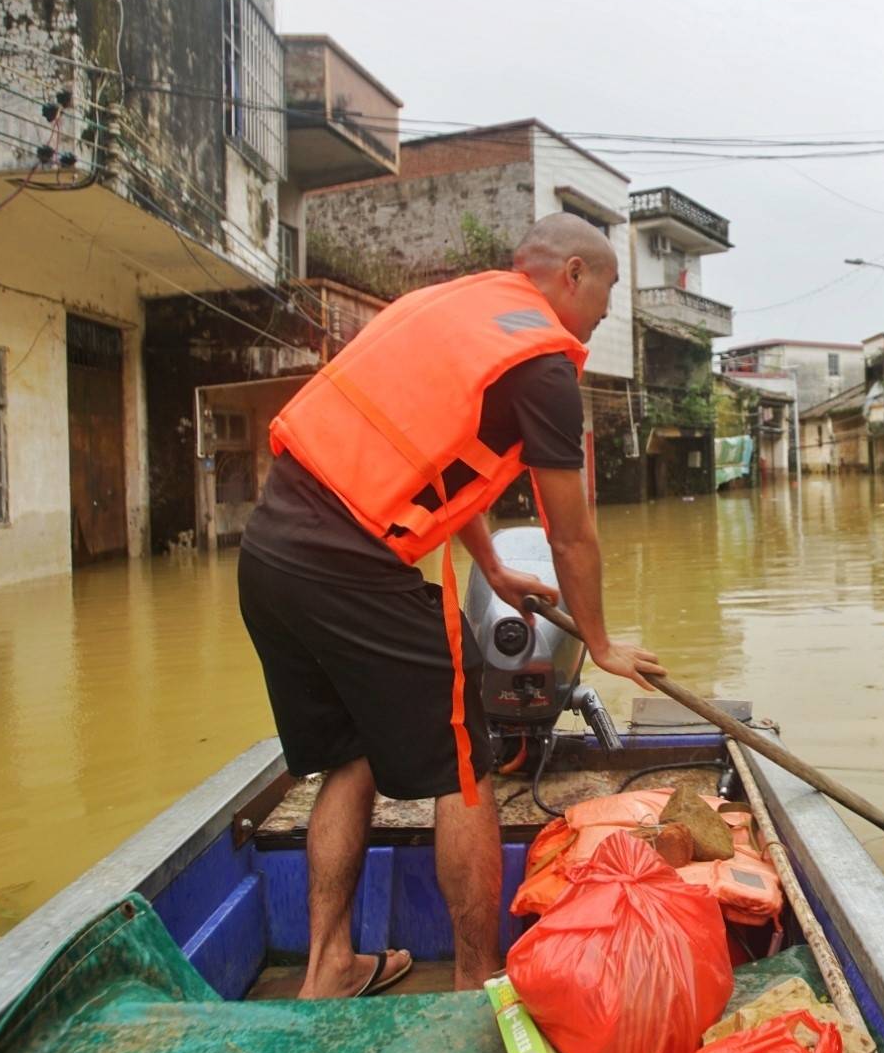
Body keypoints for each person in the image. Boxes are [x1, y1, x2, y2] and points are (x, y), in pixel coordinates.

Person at [238, 213, 663, 998]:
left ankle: (328, 965)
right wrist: (600, 643)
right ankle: (477, 981)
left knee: (350, 754)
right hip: (349, 563)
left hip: (268, 550)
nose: (593, 329)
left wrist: (493, 566)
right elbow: (571, 535)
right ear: (572, 274)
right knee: (465, 765)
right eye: (600, 310)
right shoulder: (542, 364)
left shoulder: (450, 310)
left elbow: (432, 456)